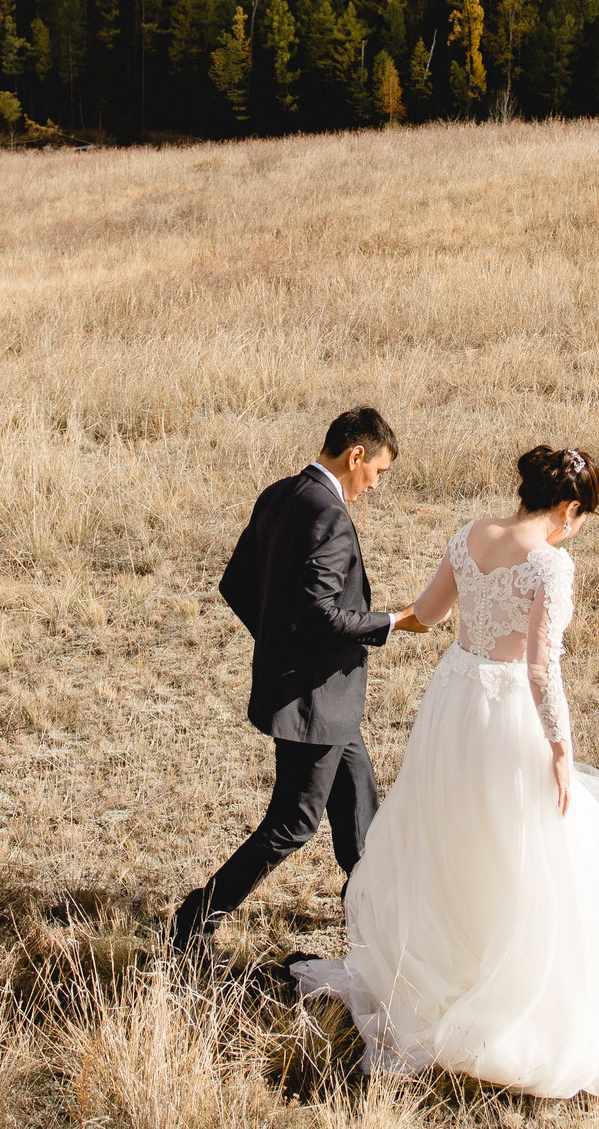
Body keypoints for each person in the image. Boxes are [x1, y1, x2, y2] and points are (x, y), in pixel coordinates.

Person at [293, 445, 599, 1098]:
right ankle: (503, 988)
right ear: (568, 507)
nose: (577, 527)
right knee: (520, 839)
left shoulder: (471, 535)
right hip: (505, 708)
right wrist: (561, 749)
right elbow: (539, 668)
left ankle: (440, 967)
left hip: (453, 696)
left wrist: (361, 627)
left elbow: (430, 611)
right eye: (582, 516)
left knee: (450, 830)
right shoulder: (550, 565)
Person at [170, 407, 402, 953]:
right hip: (314, 700)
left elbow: (238, 584)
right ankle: (197, 914)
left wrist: (279, 640)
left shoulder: (278, 494)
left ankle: (366, 906)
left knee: (358, 798)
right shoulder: (331, 516)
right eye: (379, 472)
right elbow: (322, 612)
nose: (375, 485)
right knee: (294, 823)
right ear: (357, 456)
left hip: (322, 696)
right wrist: (393, 620)